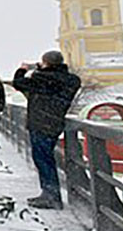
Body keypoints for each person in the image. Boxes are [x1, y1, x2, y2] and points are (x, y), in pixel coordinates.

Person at [11, 50, 81, 210]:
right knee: (47, 159)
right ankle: (51, 194)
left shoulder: (41, 79)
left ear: (46, 63)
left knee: (43, 160)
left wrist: (24, 68)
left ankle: (51, 196)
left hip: (39, 123)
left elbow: (18, 83)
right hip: (54, 123)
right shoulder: (70, 80)